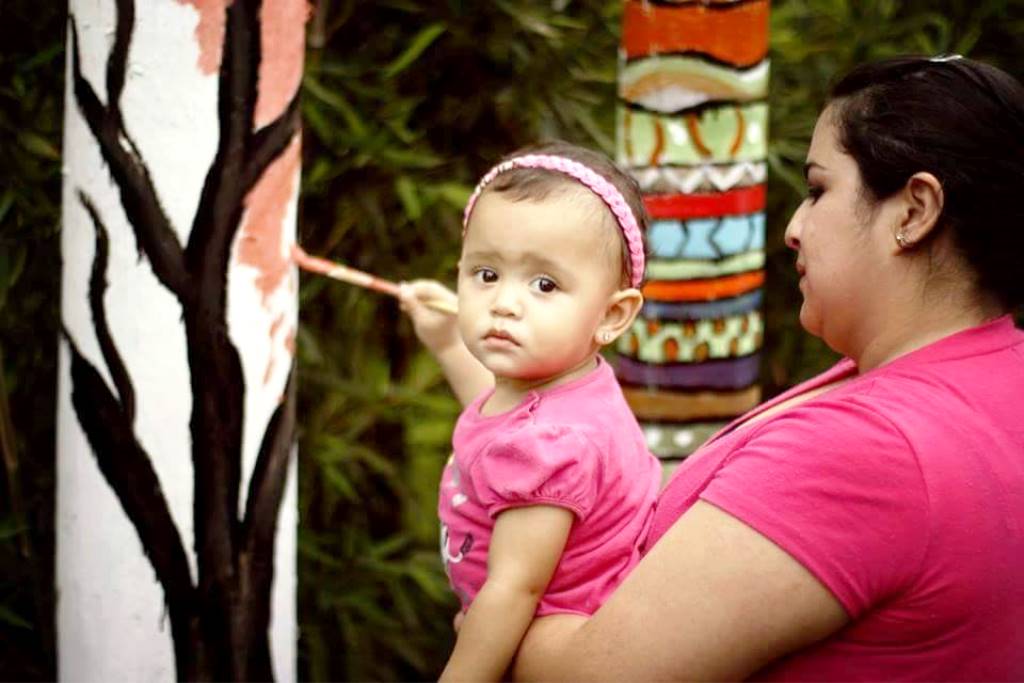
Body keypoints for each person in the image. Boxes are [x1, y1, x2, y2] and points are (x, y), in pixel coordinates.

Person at [497, 55, 1024, 681]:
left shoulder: (870, 450)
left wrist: (503, 606)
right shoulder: (988, 377)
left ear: (913, 211)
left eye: (819, 189)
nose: (794, 229)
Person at [400, 141, 662, 681]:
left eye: (544, 284)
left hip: (550, 653)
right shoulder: (564, 389)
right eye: (486, 274)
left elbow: (516, 587)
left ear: (612, 315)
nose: (504, 302)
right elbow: (498, 417)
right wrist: (449, 344)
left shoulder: (553, 444)